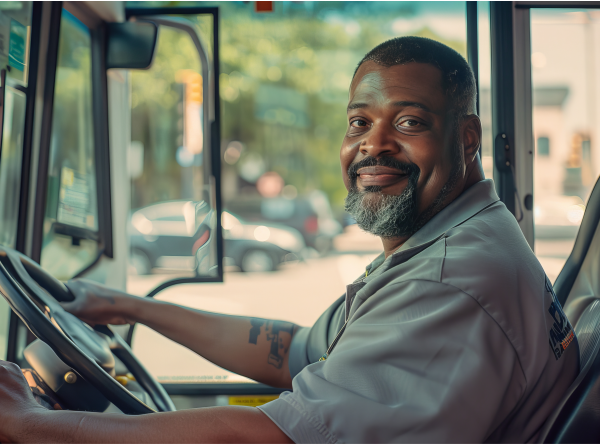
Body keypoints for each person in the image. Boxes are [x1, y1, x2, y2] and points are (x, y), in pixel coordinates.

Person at [0, 36, 579, 444]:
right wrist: (128, 307)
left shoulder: (453, 277)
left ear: (468, 137)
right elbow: (293, 350)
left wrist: (32, 427)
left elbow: (279, 437)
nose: (372, 145)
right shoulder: (441, 245)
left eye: (409, 122)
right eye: (359, 122)